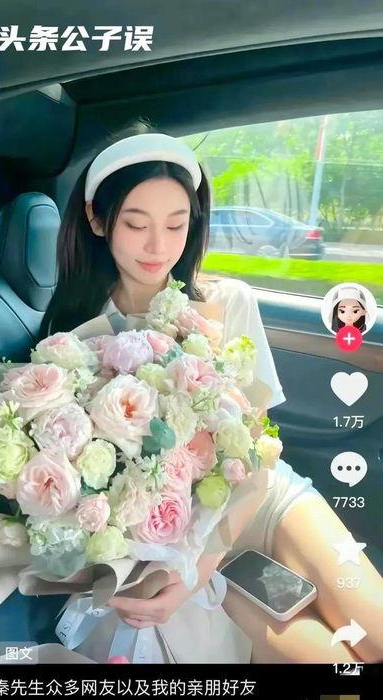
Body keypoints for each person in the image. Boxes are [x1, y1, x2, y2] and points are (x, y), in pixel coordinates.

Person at [40, 120, 383, 663]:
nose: (158, 246)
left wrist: (204, 563)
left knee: (377, 638)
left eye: (177, 224)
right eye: (136, 223)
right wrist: (194, 566)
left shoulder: (228, 304)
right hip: (174, 530)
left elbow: (262, 445)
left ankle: (228, 575)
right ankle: (233, 582)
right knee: (338, 662)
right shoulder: (73, 337)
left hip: (260, 497)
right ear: (97, 219)